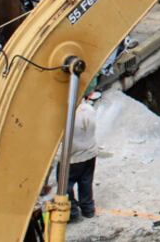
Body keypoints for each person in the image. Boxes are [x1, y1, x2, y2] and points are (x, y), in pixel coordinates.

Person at [57, 93, 98, 222]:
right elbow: (92, 129)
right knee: (85, 181)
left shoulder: (63, 115)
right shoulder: (88, 110)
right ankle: (88, 209)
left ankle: (72, 211)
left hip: (72, 158)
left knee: (65, 185)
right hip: (89, 153)